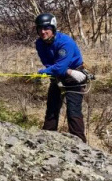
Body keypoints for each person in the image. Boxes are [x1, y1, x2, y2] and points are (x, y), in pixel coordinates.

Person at [35, 12, 88, 143]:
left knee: (73, 111)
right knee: (51, 109)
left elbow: (59, 67)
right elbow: (49, 63)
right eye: (40, 29)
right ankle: (46, 139)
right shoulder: (39, 44)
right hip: (58, 76)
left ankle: (80, 144)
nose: (43, 32)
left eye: (46, 28)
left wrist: (43, 72)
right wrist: (62, 71)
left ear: (53, 28)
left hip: (75, 77)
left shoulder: (65, 42)